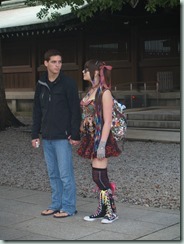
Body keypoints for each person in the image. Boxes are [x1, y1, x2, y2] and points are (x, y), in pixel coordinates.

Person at [31, 49, 81, 218]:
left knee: (65, 174)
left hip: (63, 136)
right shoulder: (41, 84)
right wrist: (34, 134)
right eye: (53, 62)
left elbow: (75, 110)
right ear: (46, 63)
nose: (57, 65)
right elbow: (37, 110)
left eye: (59, 62)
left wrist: (75, 134)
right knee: (53, 174)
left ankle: (68, 207)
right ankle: (55, 204)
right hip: (47, 136)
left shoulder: (68, 83)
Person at [77, 59, 121, 224]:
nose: (83, 72)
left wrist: (102, 145)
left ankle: (111, 211)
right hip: (90, 137)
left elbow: (107, 121)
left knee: (100, 177)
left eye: (86, 69)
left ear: (96, 72)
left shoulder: (105, 92)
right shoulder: (91, 91)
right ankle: (103, 210)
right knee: (96, 176)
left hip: (100, 138)